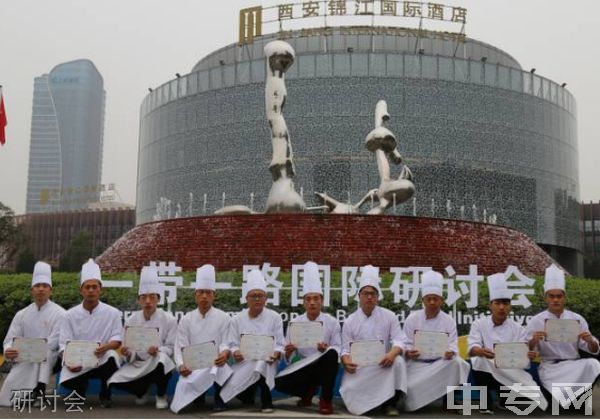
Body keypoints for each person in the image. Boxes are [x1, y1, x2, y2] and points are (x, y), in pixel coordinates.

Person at [468, 273, 548, 414]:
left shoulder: (517, 328)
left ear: (510, 307)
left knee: (512, 371)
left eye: (505, 304)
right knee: (479, 361)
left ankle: (505, 401)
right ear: (490, 305)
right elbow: (472, 346)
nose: (501, 307)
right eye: (497, 303)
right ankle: (485, 402)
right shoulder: (479, 324)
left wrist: (528, 353)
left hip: (509, 369)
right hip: (487, 368)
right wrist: (479, 351)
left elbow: (523, 350)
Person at [526, 264, 600, 411]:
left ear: (564, 297)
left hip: (573, 364)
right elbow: (527, 350)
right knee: (556, 408)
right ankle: (568, 403)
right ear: (545, 298)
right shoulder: (536, 321)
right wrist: (533, 341)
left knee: (593, 364)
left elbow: (594, 349)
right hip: (550, 366)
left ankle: (579, 401)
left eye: (559, 296)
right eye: (551, 296)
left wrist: (590, 340)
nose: (555, 300)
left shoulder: (576, 319)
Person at [339, 265, 407, 416]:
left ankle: (390, 404)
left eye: (373, 294)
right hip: (360, 368)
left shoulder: (389, 316)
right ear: (359, 296)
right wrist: (346, 361)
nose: (369, 297)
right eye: (366, 293)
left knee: (399, 362)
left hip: (382, 364)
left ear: (378, 297)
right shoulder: (350, 321)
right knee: (351, 396)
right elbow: (344, 349)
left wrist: (392, 354)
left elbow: (400, 340)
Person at [275, 261, 341, 415]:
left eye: (316, 298)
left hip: (323, 367)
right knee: (278, 383)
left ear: (322, 301)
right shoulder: (294, 323)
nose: (312, 303)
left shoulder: (332, 322)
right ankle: (307, 392)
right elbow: (288, 358)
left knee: (331, 355)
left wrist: (326, 350)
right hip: (303, 367)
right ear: (303, 302)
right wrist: (289, 352)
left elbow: (338, 347)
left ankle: (326, 400)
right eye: (308, 299)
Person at [107, 266, 177, 409]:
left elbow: (171, 347)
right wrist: (127, 352)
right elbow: (127, 348)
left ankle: (161, 394)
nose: (148, 301)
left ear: (158, 299)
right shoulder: (131, 320)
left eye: (152, 297)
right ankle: (141, 391)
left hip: (156, 360)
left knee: (163, 361)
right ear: (139, 300)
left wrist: (158, 350)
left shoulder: (169, 319)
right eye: (144, 297)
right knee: (114, 382)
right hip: (137, 363)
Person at [403, 270, 470, 412]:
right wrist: (409, 352)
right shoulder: (412, 319)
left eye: (436, 298)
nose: (432, 302)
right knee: (410, 395)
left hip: (441, 364)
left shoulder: (448, 320)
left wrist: (450, 352)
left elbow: (453, 345)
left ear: (442, 300)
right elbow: (406, 344)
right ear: (423, 300)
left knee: (458, 363)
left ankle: (450, 401)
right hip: (417, 365)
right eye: (429, 298)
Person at [58, 259, 122, 408]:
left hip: (102, 359)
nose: (91, 290)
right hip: (78, 361)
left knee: (112, 357)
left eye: (94, 287)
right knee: (69, 380)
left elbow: (117, 338)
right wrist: (69, 361)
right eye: (87, 287)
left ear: (100, 289)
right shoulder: (69, 315)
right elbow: (63, 343)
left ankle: (105, 395)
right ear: (81, 290)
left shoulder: (113, 313)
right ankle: (80, 389)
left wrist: (106, 347)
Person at [0, 262, 66, 406]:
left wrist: (36, 349)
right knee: (7, 396)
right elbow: (9, 340)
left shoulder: (61, 314)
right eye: (37, 286)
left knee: (45, 354)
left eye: (45, 286)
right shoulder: (21, 314)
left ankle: (39, 391)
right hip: (24, 357)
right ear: (32, 290)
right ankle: (29, 394)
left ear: (50, 290)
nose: (41, 289)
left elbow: (55, 341)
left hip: (49, 357)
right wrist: (8, 350)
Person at [220, 269, 286, 413]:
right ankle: (247, 394)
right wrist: (235, 351)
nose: (257, 299)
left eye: (260, 296)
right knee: (239, 390)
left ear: (265, 298)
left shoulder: (275, 317)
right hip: (245, 361)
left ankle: (266, 399)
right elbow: (232, 343)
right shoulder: (237, 319)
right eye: (253, 296)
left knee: (262, 362)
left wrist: (276, 353)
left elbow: (281, 344)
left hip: (268, 361)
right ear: (246, 298)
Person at [170, 264, 232, 413]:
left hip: (215, 362)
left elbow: (225, 341)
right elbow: (180, 347)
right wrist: (181, 365)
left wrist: (224, 353)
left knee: (220, 368)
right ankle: (198, 397)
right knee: (183, 395)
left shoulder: (224, 317)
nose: (204, 296)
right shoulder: (186, 319)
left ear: (214, 295)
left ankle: (219, 398)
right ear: (195, 295)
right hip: (194, 365)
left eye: (208, 292)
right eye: (201, 292)